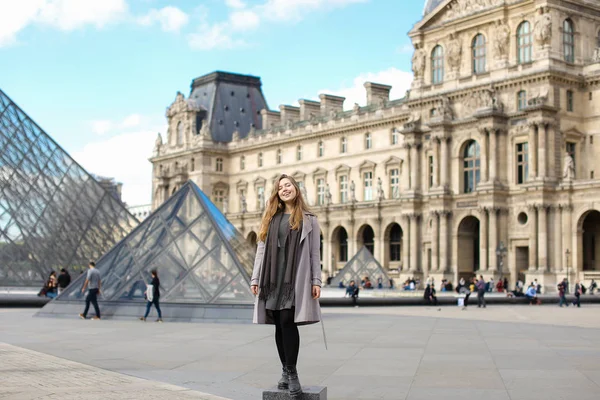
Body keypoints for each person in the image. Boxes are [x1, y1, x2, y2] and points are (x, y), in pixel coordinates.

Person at [250, 174, 322, 399]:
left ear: (296, 189)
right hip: (272, 279)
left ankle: (292, 373)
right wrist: (255, 278)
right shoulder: (270, 218)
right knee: (278, 326)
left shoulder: (309, 219)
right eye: (280, 187)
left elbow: (314, 252)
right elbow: (261, 250)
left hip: (295, 278)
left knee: (287, 321)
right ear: (277, 193)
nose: (284, 189)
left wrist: (316, 281)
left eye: (288, 185)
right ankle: (285, 370)